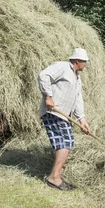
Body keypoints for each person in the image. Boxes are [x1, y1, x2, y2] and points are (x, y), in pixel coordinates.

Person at [38, 48, 90, 191]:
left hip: (62, 114)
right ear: (77, 61)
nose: (86, 64)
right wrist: (48, 96)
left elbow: (77, 98)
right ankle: (54, 177)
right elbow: (44, 75)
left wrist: (82, 119)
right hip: (53, 111)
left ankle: (56, 175)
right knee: (66, 141)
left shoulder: (76, 77)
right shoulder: (61, 67)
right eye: (84, 61)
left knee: (62, 142)